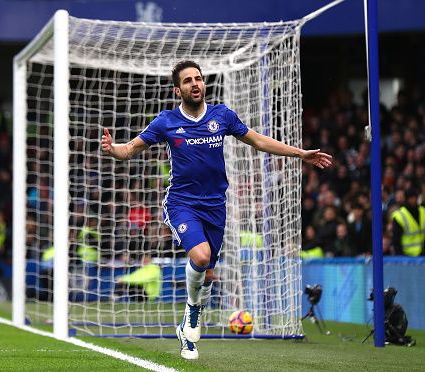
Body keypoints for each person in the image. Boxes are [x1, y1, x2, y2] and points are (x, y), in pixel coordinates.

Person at [101, 60, 332, 359]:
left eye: (198, 78)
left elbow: (258, 140)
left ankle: (191, 314)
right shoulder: (166, 121)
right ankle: (192, 315)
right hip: (182, 203)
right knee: (201, 256)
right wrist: (113, 149)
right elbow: (130, 149)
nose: (195, 84)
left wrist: (300, 153)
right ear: (178, 89)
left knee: (208, 272)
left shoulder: (221, 115)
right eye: (188, 81)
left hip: (215, 207)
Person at [390, 187, 425, 256]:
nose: (413, 200)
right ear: (406, 199)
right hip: (406, 255)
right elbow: (396, 240)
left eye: (415, 197)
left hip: (422, 255)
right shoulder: (399, 216)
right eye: (411, 198)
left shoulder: (424, 212)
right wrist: (400, 257)